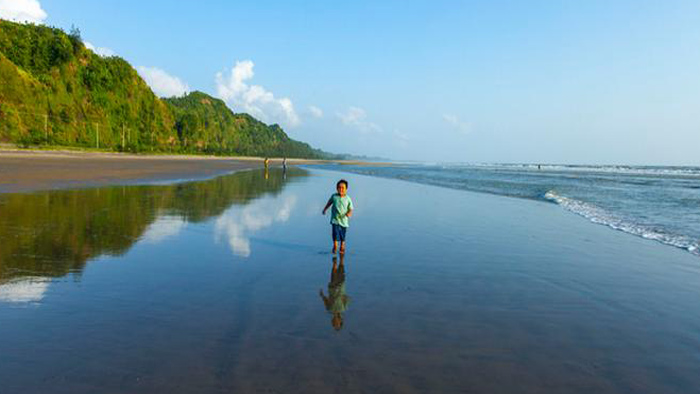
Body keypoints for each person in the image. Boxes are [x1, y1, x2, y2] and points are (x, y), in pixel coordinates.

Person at [322, 179, 354, 254]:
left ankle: (342, 245)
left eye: (343, 188)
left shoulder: (348, 198)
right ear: (337, 188)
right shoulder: (334, 196)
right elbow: (329, 203)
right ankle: (335, 245)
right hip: (335, 219)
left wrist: (349, 213)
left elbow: (351, 208)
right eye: (339, 187)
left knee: (342, 234)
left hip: (344, 220)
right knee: (335, 233)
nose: (341, 189)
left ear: (346, 189)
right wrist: (325, 209)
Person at [319, 254, 349, 331]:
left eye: (334, 323)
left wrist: (322, 295)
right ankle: (341, 259)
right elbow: (347, 299)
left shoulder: (329, 309)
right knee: (341, 270)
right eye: (336, 323)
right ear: (340, 320)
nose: (335, 322)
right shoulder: (343, 309)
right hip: (340, 287)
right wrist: (343, 296)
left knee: (333, 274)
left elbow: (326, 301)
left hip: (332, 287)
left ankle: (334, 263)